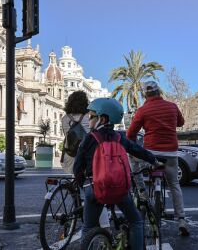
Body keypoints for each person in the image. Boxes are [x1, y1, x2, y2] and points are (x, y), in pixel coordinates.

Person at [73, 98, 163, 250]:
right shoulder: (120, 137)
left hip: (95, 188)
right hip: (118, 190)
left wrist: (83, 185)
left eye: (91, 116)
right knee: (136, 221)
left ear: (102, 118)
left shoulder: (89, 138)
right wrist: (154, 161)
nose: (89, 120)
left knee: (88, 227)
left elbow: (77, 167)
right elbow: (138, 150)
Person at [127, 80, 189, 236]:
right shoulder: (172, 106)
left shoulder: (142, 110)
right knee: (174, 184)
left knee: (132, 159)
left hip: (150, 154)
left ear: (145, 94)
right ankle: (181, 219)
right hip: (171, 154)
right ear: (159, 91)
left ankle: (142, 191)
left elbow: (130, 134)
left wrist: (133, 148)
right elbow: (181, 123)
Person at [60, 91, 90, 174]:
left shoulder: (64, 118)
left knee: (74, 178)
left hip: (70, 153)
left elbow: (66, 134)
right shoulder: (88, 117)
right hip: (86, 153)